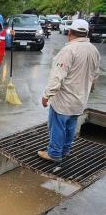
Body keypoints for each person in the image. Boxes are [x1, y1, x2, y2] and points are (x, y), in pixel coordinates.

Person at [38, 19, 100, 162]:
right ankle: (65, 150)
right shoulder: (93, 50)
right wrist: (90, 90)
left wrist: (47, 95)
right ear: (86, 33)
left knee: (57, 127)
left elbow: (57, 76)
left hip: (64, 101)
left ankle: (54, 153)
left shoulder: (69, 50)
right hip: (80, 100)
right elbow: (94, 76)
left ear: (70, 32)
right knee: (70, 126)